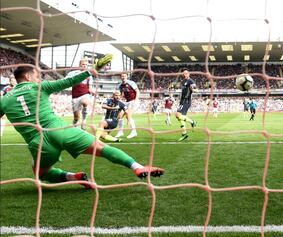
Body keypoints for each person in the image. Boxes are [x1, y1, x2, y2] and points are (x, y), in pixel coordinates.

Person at [0, 66, 164, 189]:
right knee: (102, 147)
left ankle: (73, 177)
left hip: (39, 142)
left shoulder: (4, 100)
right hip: (60, 130)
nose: (38, 79)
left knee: (40, 173)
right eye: (37, 76)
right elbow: (69, 81)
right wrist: (90, 71)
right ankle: (137, 167)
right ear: (28, 76)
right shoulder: (39, 86)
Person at [67, 59, 95, 130]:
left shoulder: (89, 75)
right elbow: (66, 80)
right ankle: (75, 123)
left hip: (85, 94)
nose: (85, 66)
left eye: (86, 65)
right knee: (76, 117)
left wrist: (92, 91)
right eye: (83, 64)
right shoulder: (73, 73)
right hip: (75, 96)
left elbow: (90, 87)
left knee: (85, 102)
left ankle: (84, 120)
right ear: (79, 65)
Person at [175, 68, 197, 142]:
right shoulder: (183, 81)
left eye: (186, 73)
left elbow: (195, 88)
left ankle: (192, 122)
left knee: (177, 115)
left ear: (189, 74)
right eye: (184, 73)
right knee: (180, 118)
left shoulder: (191, 81)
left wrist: (193, 90)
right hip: (182, 101)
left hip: (186, 101)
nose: (185, 74)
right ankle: (184, 134)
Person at [116, 73, 139, 139]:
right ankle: (120, 132)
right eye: (122, 76)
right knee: (120, 115)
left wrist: (136, 100)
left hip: (133, 101)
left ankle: (134, 132)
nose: (123, 77)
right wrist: (119, 99)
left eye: (124, 76)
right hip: (127, 102)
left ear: (127, 76)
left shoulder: (131, 83)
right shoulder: (120, 85)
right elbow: (122, 94)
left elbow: (137, 91)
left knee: (128, 114)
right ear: (120, 77)